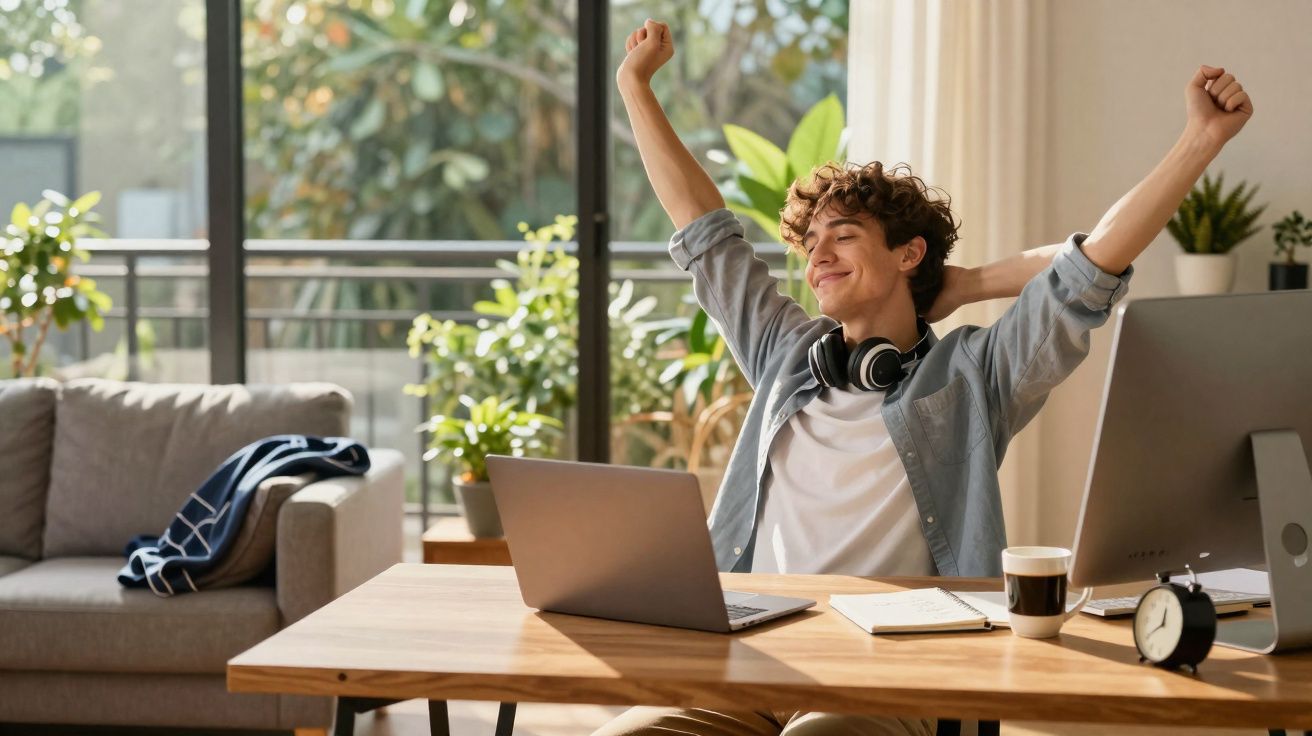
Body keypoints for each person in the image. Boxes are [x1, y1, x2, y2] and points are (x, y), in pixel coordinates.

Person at [602, 17, 1253, 736]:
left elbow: (1087, 272)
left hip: (893, 672)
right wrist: (634, 85)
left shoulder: (974, 376)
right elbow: (705, 233)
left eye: (844, 235)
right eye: (811, 243)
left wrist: (1201, 139)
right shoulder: (785, 351)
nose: (818, 256)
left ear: (909, 255)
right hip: (755, 658)